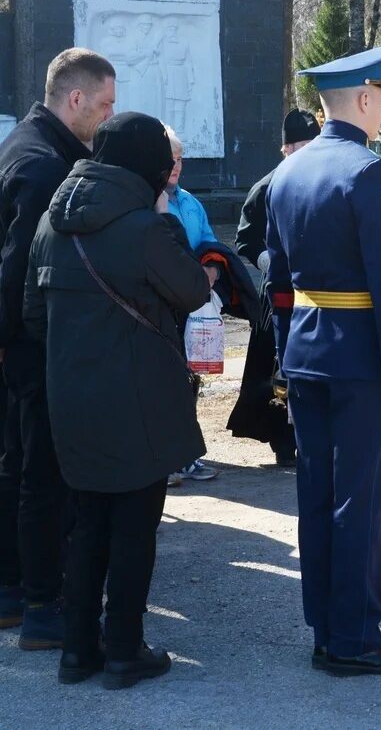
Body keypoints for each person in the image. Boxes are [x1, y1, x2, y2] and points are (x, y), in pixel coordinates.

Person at [24, 112, 210, 688]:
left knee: (84, 526)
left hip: (70, 399)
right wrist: (167, 225)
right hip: (138, 404)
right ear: (149, 168)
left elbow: (33, 317)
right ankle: (125, 649)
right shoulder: (146, 228)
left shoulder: (52, 224)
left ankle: (78, 651)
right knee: (132, 529)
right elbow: (194, 289)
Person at [266, 45, 381, 677]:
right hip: (361, 362)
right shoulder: (372, 173)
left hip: (306, 352)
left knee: (317, 494)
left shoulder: (287, 173)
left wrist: (285, 352)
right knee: (361, 501)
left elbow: (276, 278)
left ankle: (326, 628)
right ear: (364, 98)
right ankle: (355, 637)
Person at [0, 48, 115, 651]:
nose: (107, 117)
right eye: (104, 105)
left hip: (22, 346)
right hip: (34, 348)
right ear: (75, 99)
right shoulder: (45, 166)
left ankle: (17, 588)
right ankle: (40, 604)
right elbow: (17, 270)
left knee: (21, 470)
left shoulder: (29, 144)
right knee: (41, 477)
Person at [229, 109, 322, 467]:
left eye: (313, 144)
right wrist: (268, 260)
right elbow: (245, 240)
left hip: (318, 292)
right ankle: (282, 440)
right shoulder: (265, 187)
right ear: (285, 148)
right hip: (279, 294)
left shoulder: (324, 182)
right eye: (300, 145)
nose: (307, 152)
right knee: (275, 369)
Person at [163, 126, 220, 485]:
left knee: (191, 380)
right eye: (170, 159)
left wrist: (212, 270)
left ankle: (186, 455)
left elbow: (211, 242)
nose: (176, 165)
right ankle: (168, 457)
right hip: (164, 307)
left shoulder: (190, 202)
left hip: (194, 304)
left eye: (181, 158)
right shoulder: (149, 202)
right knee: (167, 382)